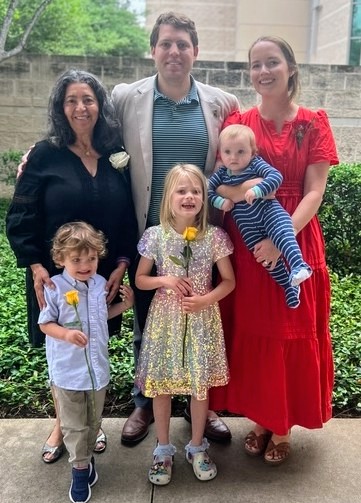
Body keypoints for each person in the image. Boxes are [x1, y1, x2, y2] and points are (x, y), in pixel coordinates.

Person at [112, 11, 240, 446]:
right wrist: (39, 149)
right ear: (153, 50)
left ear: (196, 52)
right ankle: (145, 402)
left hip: (203, 234)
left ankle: (203, 406)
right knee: (149, 323)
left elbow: (244, 149)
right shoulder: (126, 97)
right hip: (151, 230)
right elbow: (87, 130)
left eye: (183, 44)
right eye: (166, 43)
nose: (174, 52)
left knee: (201, 320)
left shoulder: (221, 103)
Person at [209, 36, 339, 465]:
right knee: (255, 330)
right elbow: (220, 183)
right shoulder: (239, 120)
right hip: (248, 246)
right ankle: (261, 420)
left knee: (290, 331)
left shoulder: (313, 122)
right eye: (256, 64)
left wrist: (280, 242)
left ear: (290, 68)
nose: (264, 71)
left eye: (272, 62)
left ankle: (283, 428)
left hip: (294, 240)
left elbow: (314, 191)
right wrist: (247, 192)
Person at [6, 69, 138, 463]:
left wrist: (122, 263)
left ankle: (91, 423)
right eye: (71, 101)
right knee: (61, 348)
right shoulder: (45, 154)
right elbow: (21, 213)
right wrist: (34, 265)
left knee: (93, 344)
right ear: (61, 108)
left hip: (100, 277)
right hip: (55, 275)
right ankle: (63, 424)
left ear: (100, 105)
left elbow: (127, 216)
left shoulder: (116, 153)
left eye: (88, 99)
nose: (80, 108)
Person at [134, 164, 235, 485]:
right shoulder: (156, 236)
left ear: (204, 199)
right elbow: (140, 280)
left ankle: (196, 446)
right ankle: (163, 448)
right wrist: (164, 278)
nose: (189, 196)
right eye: (182, 191)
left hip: (201, 319)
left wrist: (206, 299)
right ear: (168, 198)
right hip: (166, 322)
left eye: (196, 191)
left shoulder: (215, 237)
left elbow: (229, 281)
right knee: (163, 386)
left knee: (198, 384)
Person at [38, 221, 134, 503]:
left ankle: (86, 459)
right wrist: (66, 333)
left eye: (91, 258)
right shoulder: (55, 287)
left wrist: (124, 307)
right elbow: (45, 324)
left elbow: (100, 317)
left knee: (92, 422)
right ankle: (79, 469)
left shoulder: (100, 285)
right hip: (68, 373)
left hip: (96, 371)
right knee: (74, 426)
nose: (85, 264)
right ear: (60, 259)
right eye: (76, 259)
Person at [208, 124, 312, 308]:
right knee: (264, 257)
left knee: (284, 234)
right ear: (220, 153)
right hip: (246, 225)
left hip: (269, 211)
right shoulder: (222, 174)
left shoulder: (256, 164)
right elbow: (208, 191)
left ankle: (299, 265)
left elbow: (276, 177)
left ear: (252, 152)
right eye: (227, 152)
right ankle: (289, 285)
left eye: (241, 151)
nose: (233, 157)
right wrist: (220, 202)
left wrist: (258, 189)